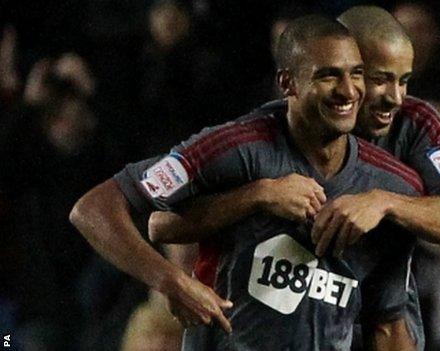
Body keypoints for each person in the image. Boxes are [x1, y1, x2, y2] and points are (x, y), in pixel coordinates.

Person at [71, 15, 420, 350]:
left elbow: (387, 323)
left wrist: (387, 204)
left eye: (356, 74)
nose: (348, 90)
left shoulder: (389, 185)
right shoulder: (235, 149)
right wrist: (170, 282)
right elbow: (93, 209)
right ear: (288, 83)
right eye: (328, 76)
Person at [150, 5, 440, 350]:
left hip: (362, 297)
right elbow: (160, 221)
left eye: (404, 80)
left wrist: (383, 202)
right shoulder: (266, 131)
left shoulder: (416, 123)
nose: (394, 98)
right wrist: (257, 195)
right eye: (378, 78)